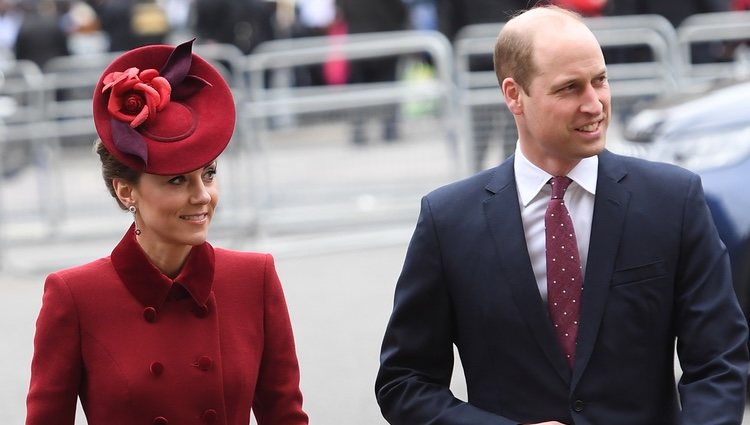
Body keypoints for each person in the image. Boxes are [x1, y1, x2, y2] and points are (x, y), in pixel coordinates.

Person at [375, 5, 749, 425]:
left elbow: (719, 361)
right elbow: (404, 381)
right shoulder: (448, 221)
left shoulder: (673, 200)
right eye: (569, 88)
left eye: (600, 80)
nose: (594, 104)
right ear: (514, 95)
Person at [25, 39, 309, 425]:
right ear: (126, 191)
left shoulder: (253, 279)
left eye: (209, 174)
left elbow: (286, 416)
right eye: (176, 180)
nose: (202, 196)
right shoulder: (75, 296)